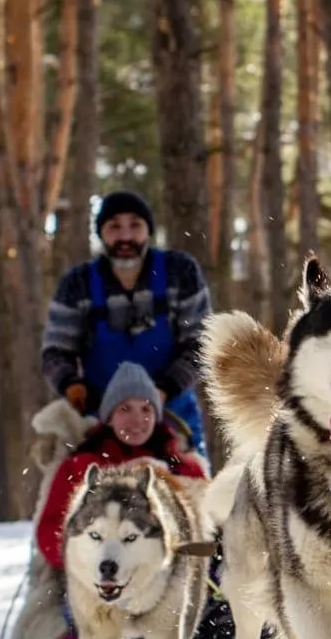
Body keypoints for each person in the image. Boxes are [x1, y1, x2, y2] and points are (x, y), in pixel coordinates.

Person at [18, 363, 211, 639]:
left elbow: (211, 522)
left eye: (146, 409)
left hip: (167, 579)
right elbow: (51, 530)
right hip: (96, 579)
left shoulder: (182, 465)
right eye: (125, 409)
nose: (136, 419)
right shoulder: (81, 466)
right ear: (108, 415)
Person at [41, 190, 214, 466]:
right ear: (101, 234)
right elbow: (55, 352)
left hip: (174, 414)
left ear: (148, 230)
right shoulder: (77, 284)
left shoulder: (180, 274)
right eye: (114, 227)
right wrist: (72, 385)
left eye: (135, 225)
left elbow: (202, 344)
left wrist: (163, 390)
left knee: (191, 498)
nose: (125, 237)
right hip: (103, 419)